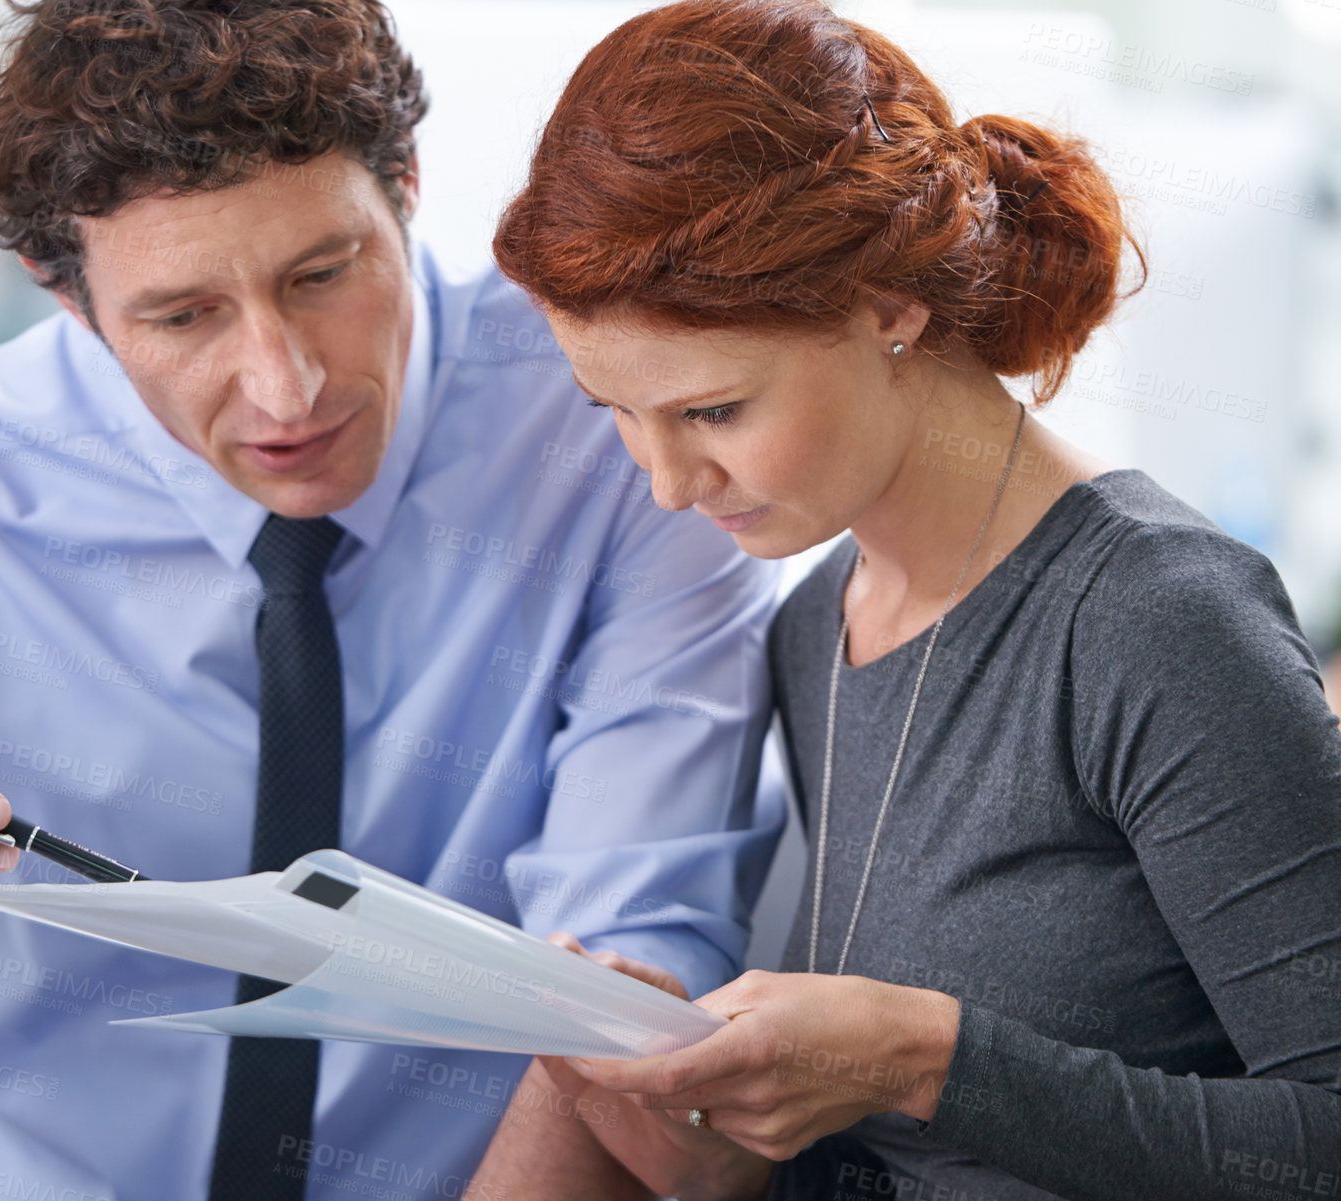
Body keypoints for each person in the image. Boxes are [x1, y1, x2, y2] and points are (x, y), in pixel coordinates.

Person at [0, 2, 785, 1197]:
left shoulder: (612, 422)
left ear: (407, 188)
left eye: (323, 273)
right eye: (182, 315)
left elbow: (623, 1005)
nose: (285, 385)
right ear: (65, 295)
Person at [464, 2, 1341, 1198]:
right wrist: (680, 1097)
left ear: (890, 305)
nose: (665, 486)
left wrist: (930, 1058)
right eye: (616, 412)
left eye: (712, 411)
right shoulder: (815, 626)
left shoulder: (1155, 621)